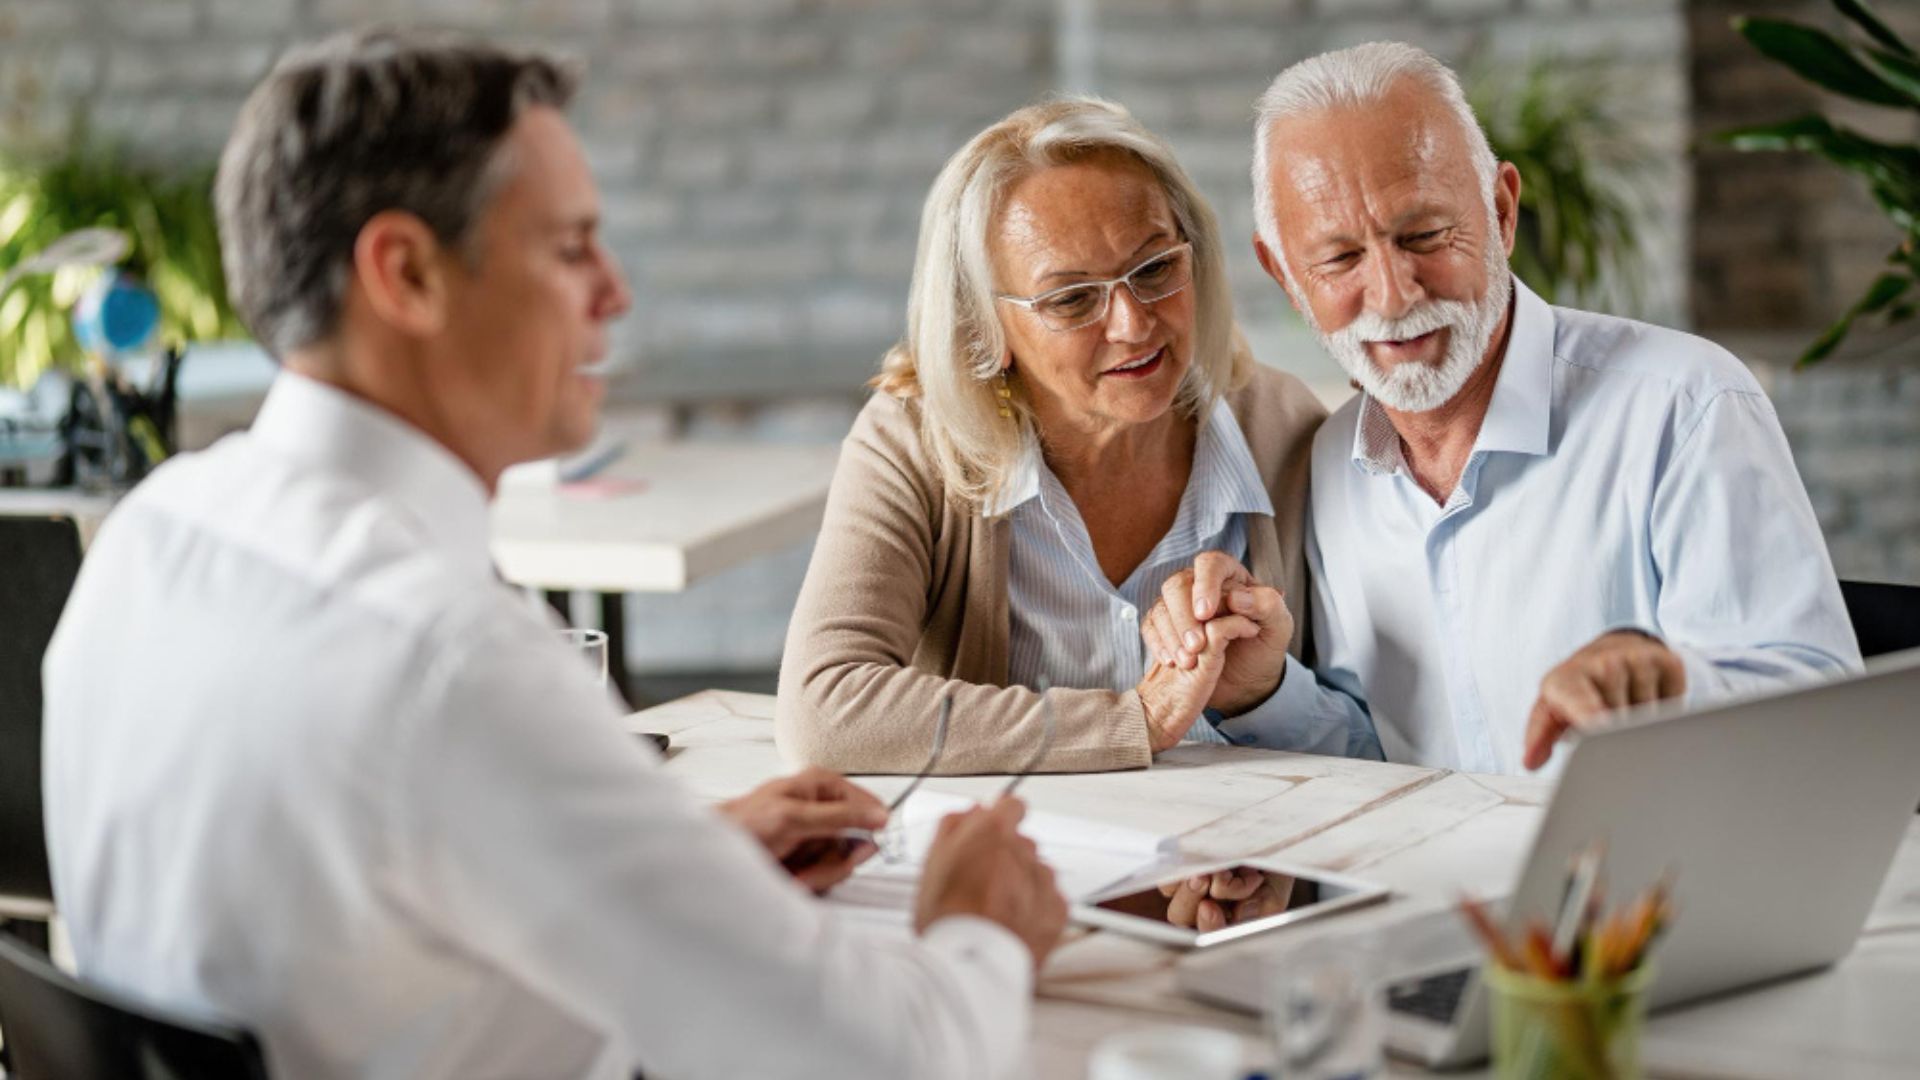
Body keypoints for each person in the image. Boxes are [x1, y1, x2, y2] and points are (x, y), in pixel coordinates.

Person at [41, 31, 1065, 1080]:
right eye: (572, 248)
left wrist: (670, 860)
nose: (614, 293)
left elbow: (365, 896)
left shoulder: (149, 539)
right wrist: (975, 927)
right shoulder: (449, 660)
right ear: (406, 274)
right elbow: (890, 1061)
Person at [1145, 41, 1861, 777]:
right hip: (1439, 889)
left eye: (1423, 235)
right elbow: (1384, 758)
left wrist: (1670, 685)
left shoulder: (1685, 404)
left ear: (1501, 212)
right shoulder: (1332, 462)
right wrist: (1262, 691)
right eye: (1339, 260)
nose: (1393, 296)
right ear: (1288, 278)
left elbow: (1824, 719)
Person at [774, 97, 1381, 776]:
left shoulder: (1286, 428)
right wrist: (1137, 721)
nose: (1131, 323)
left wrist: (1263, 695)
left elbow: (1376, 740)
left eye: (1154, 270)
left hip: (1237, 864)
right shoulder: (915, 442)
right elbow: (824, 711)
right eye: (1070, 299)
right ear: (986, 330)